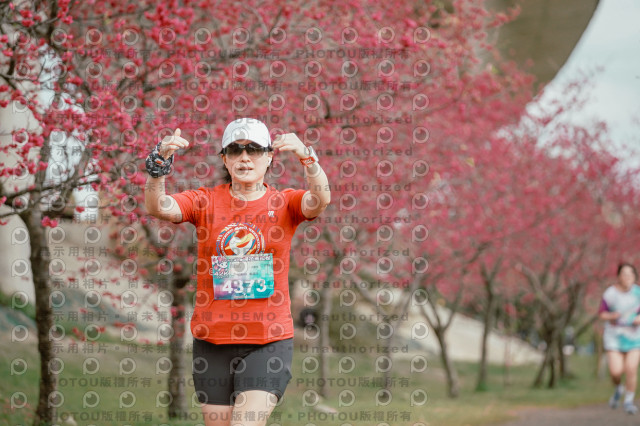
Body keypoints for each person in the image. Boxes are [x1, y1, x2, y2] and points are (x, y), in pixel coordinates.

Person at [144, 118, 330, 426]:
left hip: (268, 339)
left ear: (269, 157)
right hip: (212, 341)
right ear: (224, 159)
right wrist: (159, 165)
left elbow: (320, 201)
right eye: (235, 150)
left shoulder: (285, 202)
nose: (244, 157)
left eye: (254, 150)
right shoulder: (204, 201)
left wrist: (308, 159)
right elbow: (158, 207)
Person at [599, 262, 640, 414]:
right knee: (616, 372)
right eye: (624, 274)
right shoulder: (610, 293)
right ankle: (618, 388)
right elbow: (602, 313)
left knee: (631, 368)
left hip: (634, 337)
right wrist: (612, 316)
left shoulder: (638, 293)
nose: (627, 277)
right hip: (614, 338)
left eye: (630, 274)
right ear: (618, 276)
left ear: (634, 277)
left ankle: (629, 401)